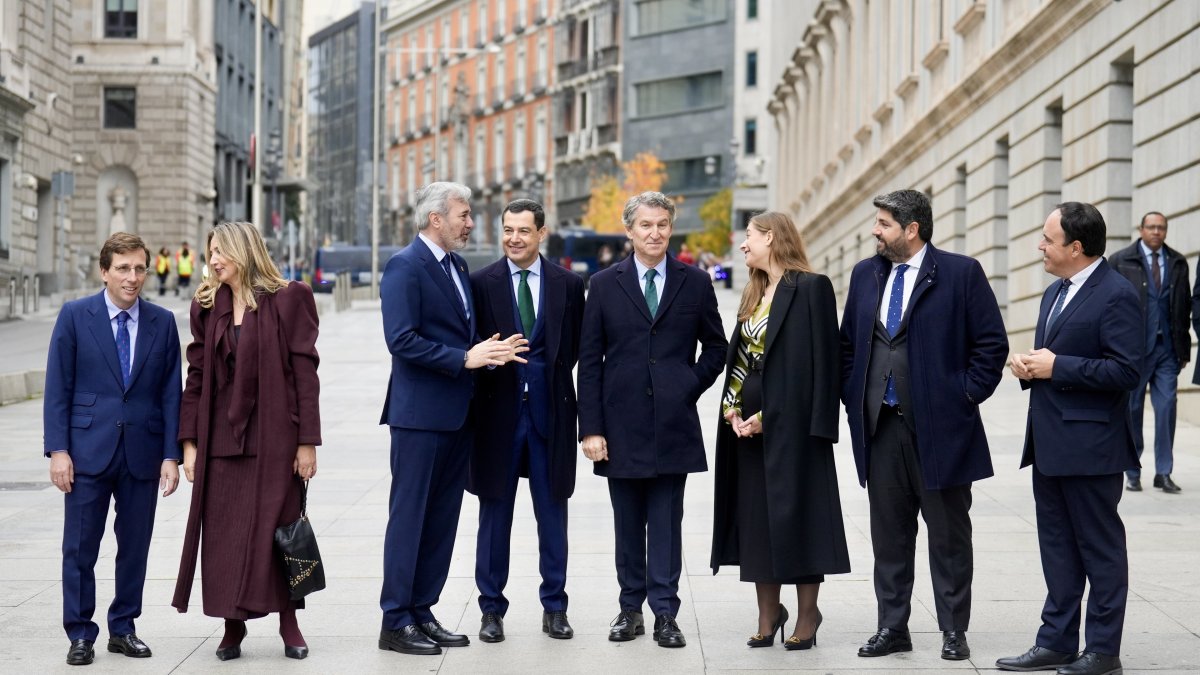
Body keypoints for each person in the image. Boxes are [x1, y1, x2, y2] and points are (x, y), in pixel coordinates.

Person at [840, 189, 1008, 661]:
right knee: (889, 536)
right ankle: (892, 627)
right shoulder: (865, 274)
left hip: (942, 430)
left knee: (949, 536)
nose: (876, 230)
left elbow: (991, 346)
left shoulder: (960, 273)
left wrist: (963, 396)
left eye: (884, 223)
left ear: (911, 229)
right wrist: (854, 396)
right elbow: (849, 346)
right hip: (881, 426)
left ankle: (954, 629)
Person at [378, 182, 528, 657]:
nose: (470, 223)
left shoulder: (458, 267)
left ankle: (423, 610)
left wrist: (492, 352)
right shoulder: (405, 266)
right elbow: (401, 340)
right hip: (419, 418)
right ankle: (395, 619)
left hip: (457, 416)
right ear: (435, 218)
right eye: (463, 215)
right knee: (409, 519)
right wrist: (464, 358)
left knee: (441, 520)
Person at [578, 191, 727, 649]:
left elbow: (717, 348)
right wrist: (592, 428)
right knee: (628, 523)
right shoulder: (604, 284)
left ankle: (665, 613)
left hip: (672, 424)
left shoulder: (695, 282)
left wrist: (687, 383)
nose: (655, 232)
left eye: (663, 224)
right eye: (646, 225)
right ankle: (629, 609)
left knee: (666, 522)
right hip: (619, 426)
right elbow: (591, 360)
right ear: (629, 230)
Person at [1000, 202, 1141, 675]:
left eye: (1047, 238)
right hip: (1050, 445)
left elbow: (1125, 370)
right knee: (1057, 548)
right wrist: (1029, 367)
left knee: (1100, 551)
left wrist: (1057, 366)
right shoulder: (1053, 293)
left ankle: (1103, 651)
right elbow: (1056, 357)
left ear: (1075, 247)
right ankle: (1056, 642)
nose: (1039, 245)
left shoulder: (1117, 293)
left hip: (1093, 449)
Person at [171, 221, 322, 661]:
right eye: (210, 251)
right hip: (221, 438)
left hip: (276, 435)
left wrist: (307, 442)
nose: (213, 259)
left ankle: (288, 622)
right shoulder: (206, 304)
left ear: (245, 250)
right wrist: (189, 443)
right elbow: (196, 376)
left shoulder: (290, 297)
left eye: (221, 251)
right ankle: (231, 624)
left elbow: (305, 375)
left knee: (277, 531)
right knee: (224, 536)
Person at [710, 212, 849, 651]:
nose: (743, 245)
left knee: (801, 518)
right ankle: (768, 614)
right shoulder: (754, 291)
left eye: (748, 236)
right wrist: (733, 410)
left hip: (796, 427)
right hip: (747, 430)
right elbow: (741, 362)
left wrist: (772, 416)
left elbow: (823, 366)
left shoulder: (811, 287)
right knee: (757, 521)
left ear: (771, 237)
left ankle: (807, 616)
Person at [44, 232, 182, 666]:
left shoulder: (162, 322)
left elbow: (170, 395)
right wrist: (59, 450)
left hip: (141, 452)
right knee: (80, 548)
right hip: (87, 451)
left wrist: (170, 455)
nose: (133, 277)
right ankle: (80, 633)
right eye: (123, 268)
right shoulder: (75, 316)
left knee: (135, 546)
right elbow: (57, 389)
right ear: (104, 271)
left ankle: (124, 627)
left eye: (140, 268)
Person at [469, 199, 586, 643]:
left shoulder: (568, 285)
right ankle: (491, 611)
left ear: (542, 233)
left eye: (523, 230)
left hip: (550, 416)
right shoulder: (481, 283)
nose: (514, 238)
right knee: (494, 517)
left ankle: (555, 607)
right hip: (497, 417)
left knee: (552, 516)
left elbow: (572, 351)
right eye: (507, 230)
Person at [1110, 211, 1189, 493]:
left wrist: (1183, 347)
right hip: (1133, 350)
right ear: (1141, 230)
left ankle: (1164, 472)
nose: (1156, 232)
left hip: (1168, 349)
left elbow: (1184, 304)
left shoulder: (1178, 262)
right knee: (1131, 409)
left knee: (1167, 408)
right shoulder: (1121, 261)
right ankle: (1132, 471)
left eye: (1161, 228)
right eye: (1151, 227)